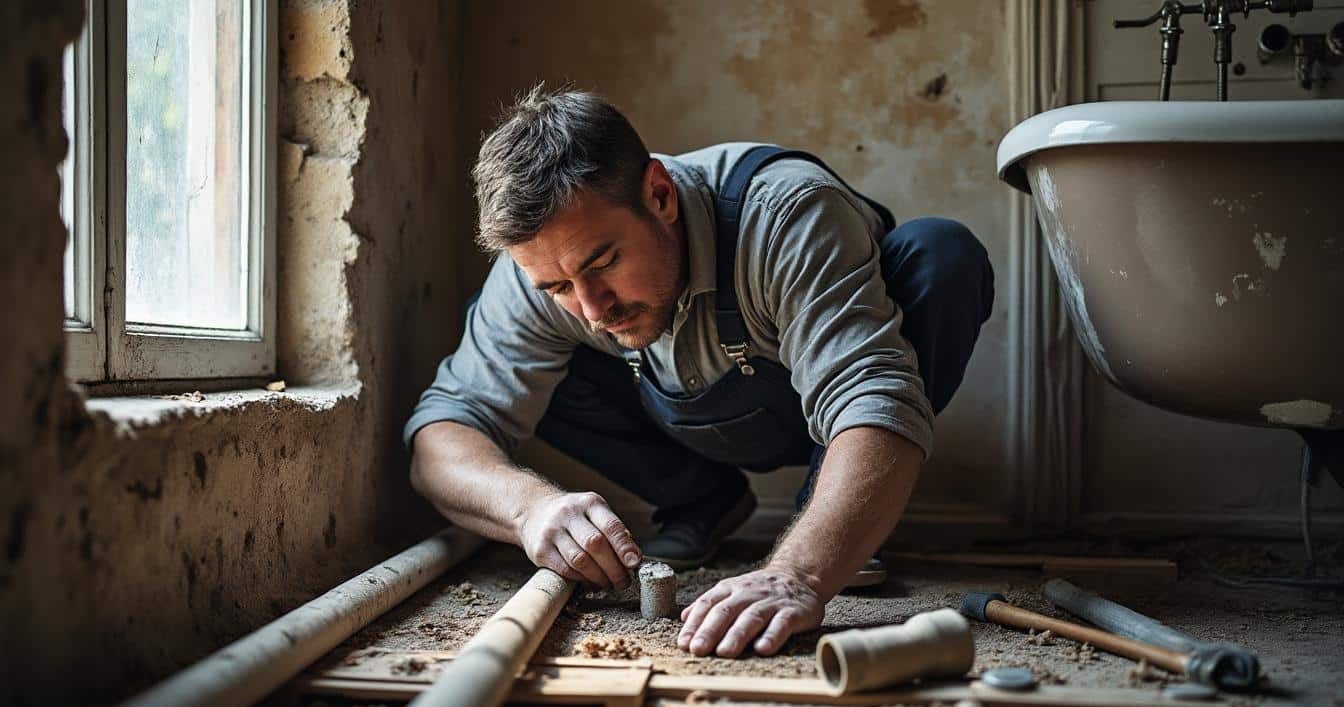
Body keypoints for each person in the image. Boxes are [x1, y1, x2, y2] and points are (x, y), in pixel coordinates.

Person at [405, 85, 993, 658]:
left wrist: (801, 574)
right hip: (675, 418)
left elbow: (873, 393)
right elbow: (443, 436)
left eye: (604, 262)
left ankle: (830, 516)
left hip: (819, 412)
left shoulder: (784, 213)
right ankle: (702, 500)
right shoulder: (536, 271)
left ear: (660, 194)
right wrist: (528, 507)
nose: (592, 307)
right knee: (504, 340)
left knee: (940, 253)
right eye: (559, 287)